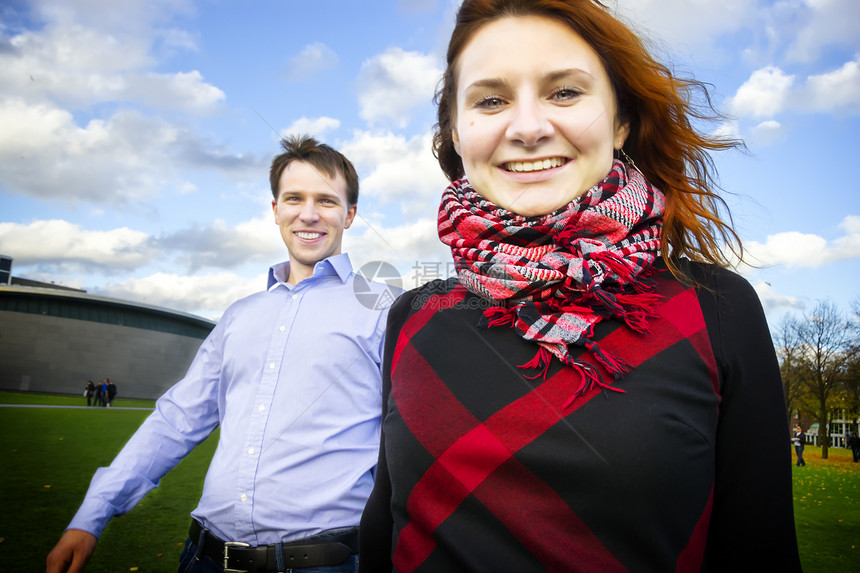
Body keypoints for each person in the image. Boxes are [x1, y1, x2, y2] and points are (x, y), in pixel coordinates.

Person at [359, 1, 802, 571]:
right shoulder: (414, 314)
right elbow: (383, 530)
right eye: (491, 100)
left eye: (564, 92)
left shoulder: (717, 308)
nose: (528, 127)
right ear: (456, 131)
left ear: (620, 121)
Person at [47, 135, 398, 573]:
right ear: (275, 211)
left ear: (350, 215)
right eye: (294, 198)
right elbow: (177, 419)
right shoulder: (238, 316)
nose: (308, 214)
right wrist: (91, 515)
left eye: (326, 201)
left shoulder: (385, 307)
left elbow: (417, 435)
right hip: (204, 559)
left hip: (324, 563)